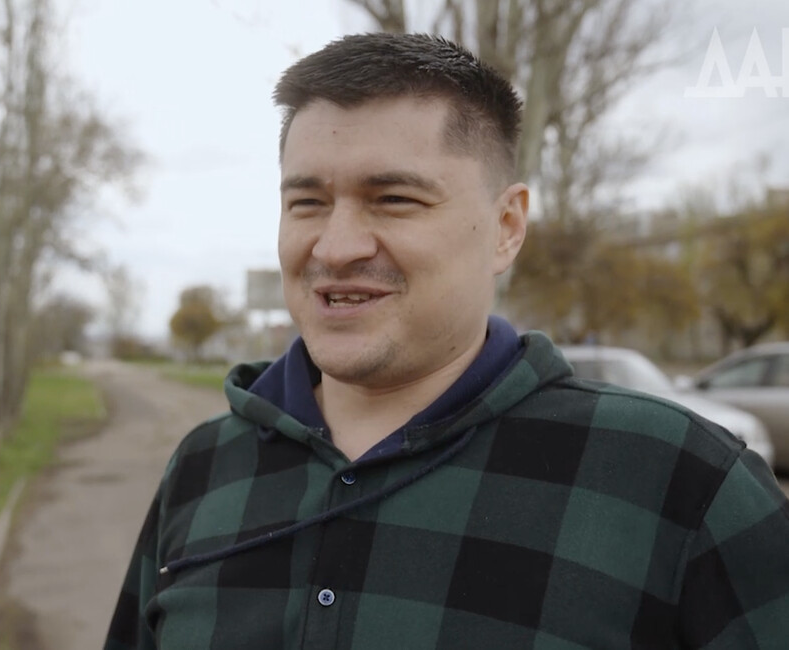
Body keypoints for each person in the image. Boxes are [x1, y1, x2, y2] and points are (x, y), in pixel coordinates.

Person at [105, 33, 789, 649]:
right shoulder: (202, 467)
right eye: (307, 202)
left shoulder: (682, 483)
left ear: (506, 228)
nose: (336, 247)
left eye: (394, 199)